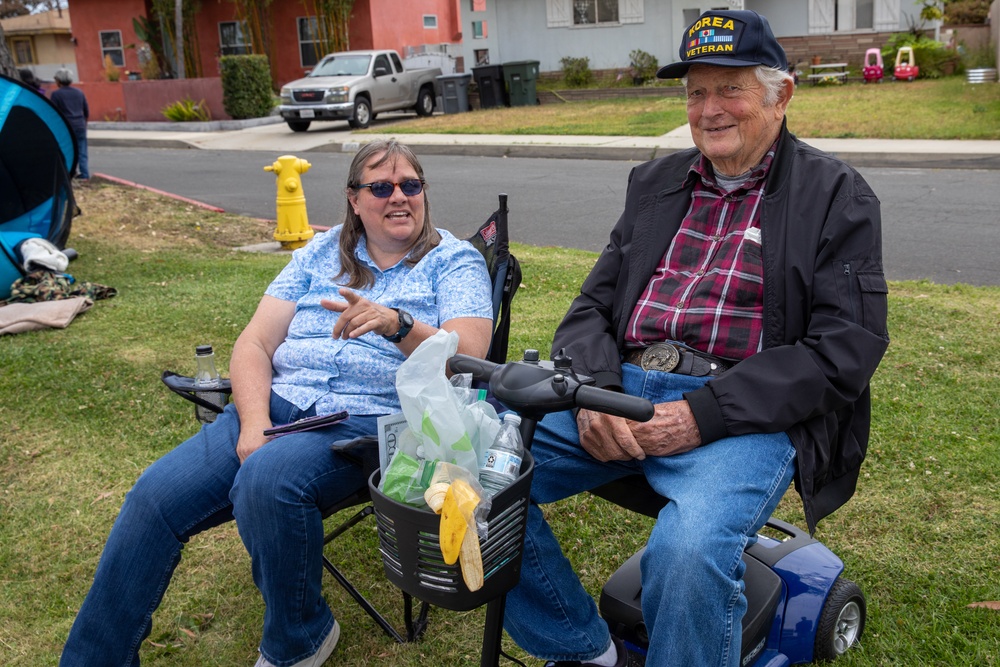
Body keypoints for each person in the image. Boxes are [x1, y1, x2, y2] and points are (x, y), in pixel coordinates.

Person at [503, 10, 889, 667]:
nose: (708, 109)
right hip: (620, 390)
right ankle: (589, 650)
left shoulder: (836, 196)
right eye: (694, 92)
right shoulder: (655, 183)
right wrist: (593, 392)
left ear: (781, 94)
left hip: (741, 412)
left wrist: (697, 416)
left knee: (687, 551)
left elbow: (843, 349)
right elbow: (592, 305)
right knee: (466, 470)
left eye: (729, 89)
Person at [59, 139, 495, 667]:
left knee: (267, 480)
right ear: (354, 199)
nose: (398, 197)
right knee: (154, 497)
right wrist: (255, 423)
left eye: (411, 185)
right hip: (275, 407)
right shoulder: (318, 252)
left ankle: (301, 638)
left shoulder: (452, 259)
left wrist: (396, 322)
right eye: (381, 187)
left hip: (367, 423)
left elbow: (469, 355)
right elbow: (255, 344)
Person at [48, 68, 89, 181]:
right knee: (82, 150)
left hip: (66, 126)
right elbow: (86, 110)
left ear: (59, 81)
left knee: (67, 150)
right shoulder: (79, 92)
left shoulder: (56, 94)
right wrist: (84, 122)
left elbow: (54, 112)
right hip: (80, 124)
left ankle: (70, 172)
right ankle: (85, 174)